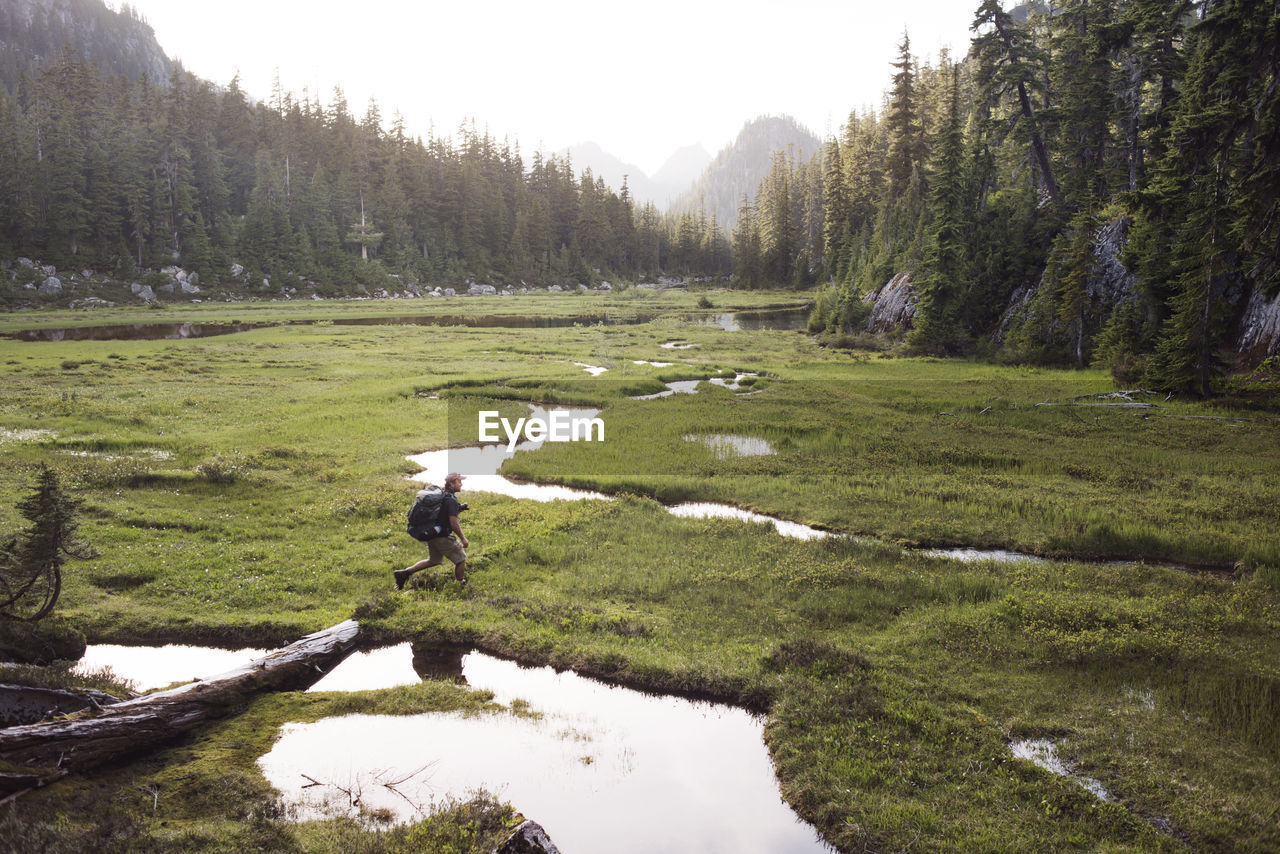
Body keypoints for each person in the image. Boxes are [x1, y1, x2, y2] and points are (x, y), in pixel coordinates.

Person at [395, 472, 469, 589]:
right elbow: (453, 523)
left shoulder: (442, 494)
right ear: (451, 483)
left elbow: (442, 514)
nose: (462, 484)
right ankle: (460, 585)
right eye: (459, 481)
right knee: (461, 559)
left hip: (432, 533)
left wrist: (459, 509)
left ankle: (404, 573)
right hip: (442, 537)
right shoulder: (451, 500)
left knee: (434, 560)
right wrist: (463, 538)